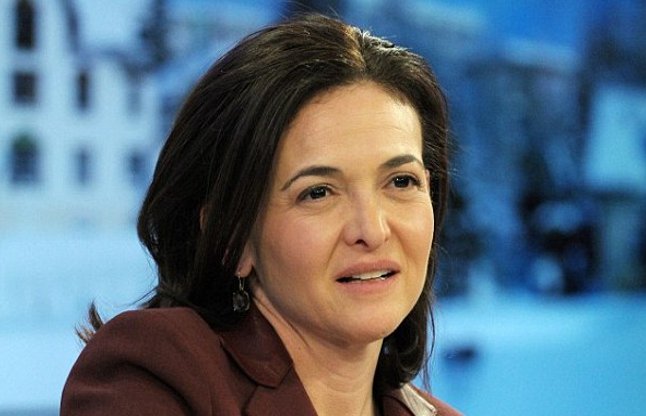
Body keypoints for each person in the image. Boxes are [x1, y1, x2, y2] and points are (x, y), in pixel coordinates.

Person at [61, 13, 461, 416]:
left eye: (401, 182)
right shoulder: (156, 373)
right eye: (318, 192)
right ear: (231, 237)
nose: (372, 230)